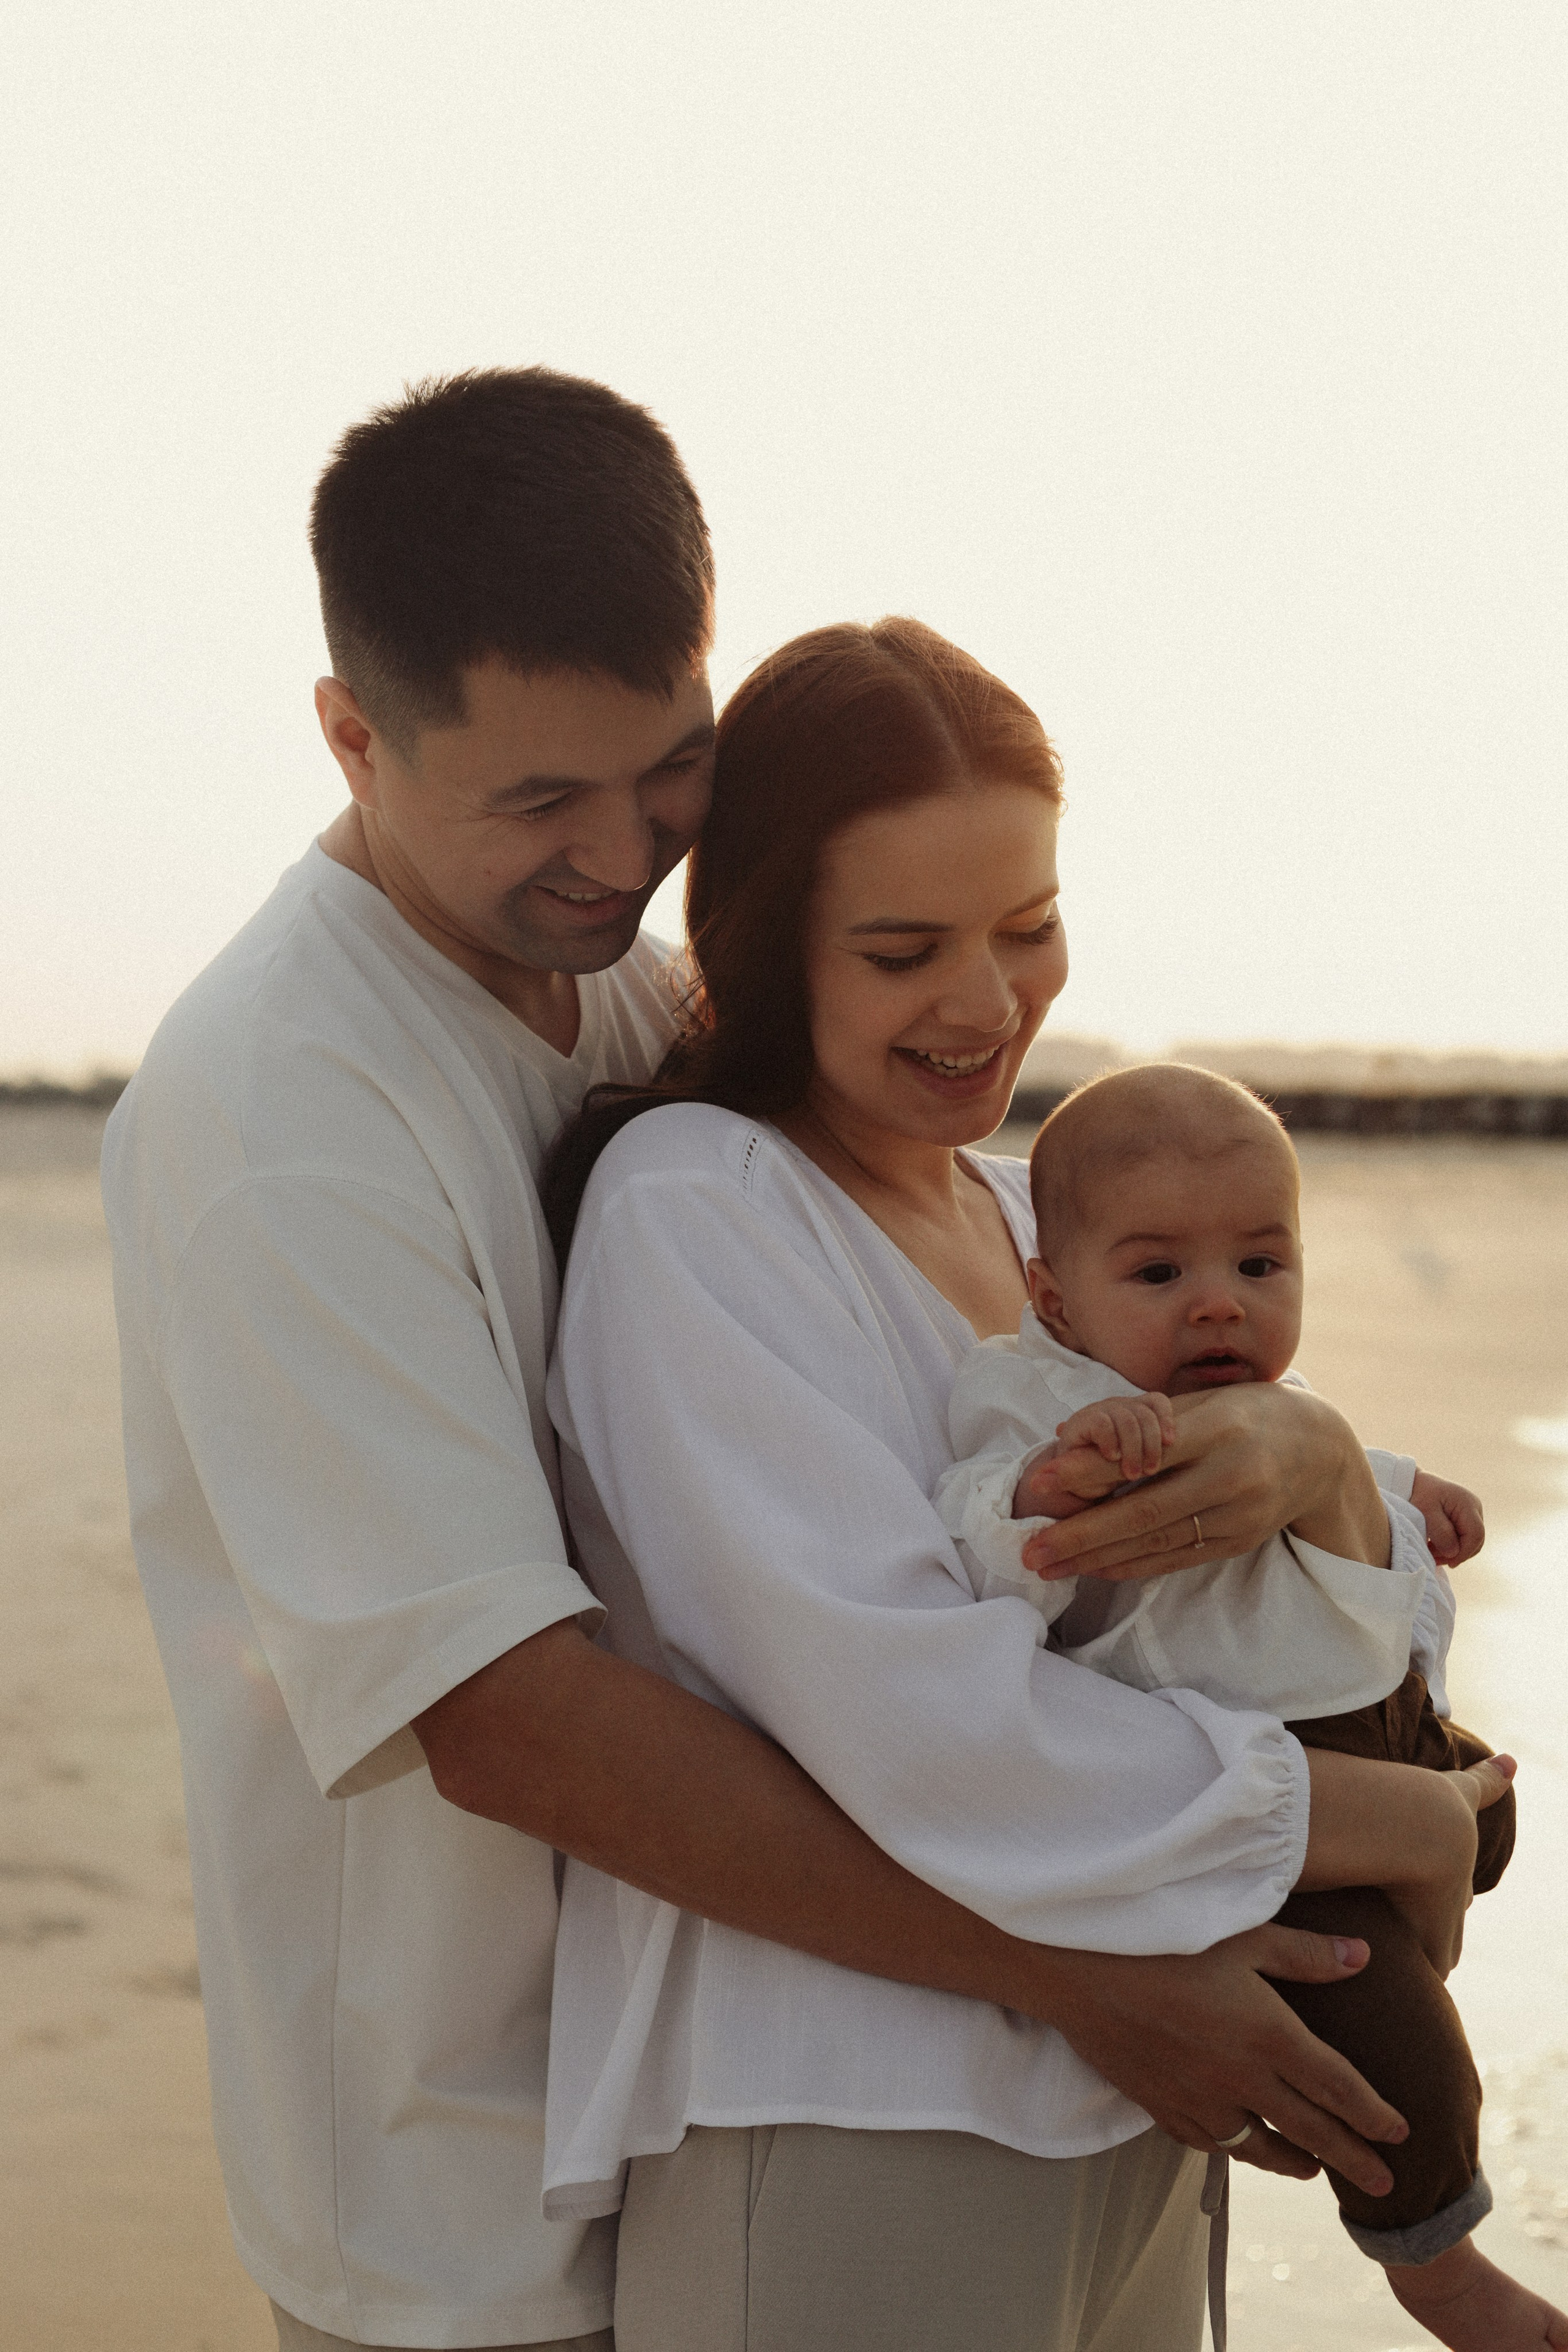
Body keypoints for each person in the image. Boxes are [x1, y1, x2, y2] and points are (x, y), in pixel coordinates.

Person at [102, 371, 1423, 2351]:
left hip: (729, 2067)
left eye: (666, 774)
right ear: (352, 737)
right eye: (536, 797)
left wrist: (1309, 1455)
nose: (618, 852)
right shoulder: (285, 1108)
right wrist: (1084, 1965)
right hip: (458, 2182)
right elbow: (507, 1715)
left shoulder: (623, 994)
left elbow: (945, 1263)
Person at [540, 617, 1515, 2351]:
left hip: (1151, 2084)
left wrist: (1328, 1482)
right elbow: (910, 1712)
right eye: (906, 948)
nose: (989, 1002)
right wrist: (1359, 1813)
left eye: (1031, 927)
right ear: (768, 950)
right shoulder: (702, 1207)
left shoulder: (1028, 1214)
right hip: (858, 2117)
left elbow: (1287, 1626)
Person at [936, 1060, 1561, 2350]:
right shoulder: (1036, 1397)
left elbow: (1322, 1454)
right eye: (1158, 1275)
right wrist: (1047, 1489)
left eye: (1258, 1268)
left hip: (1382, 1720)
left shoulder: (1266, 1404)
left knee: (1491, 1811)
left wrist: (1400, 1488)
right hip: (1275, 1805)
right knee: (1392, 2050)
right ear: (1054, 1297)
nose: (1216, 1302)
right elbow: (972, 1517)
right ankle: (1438, 2268)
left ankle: (1449, 1824)